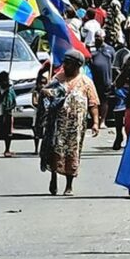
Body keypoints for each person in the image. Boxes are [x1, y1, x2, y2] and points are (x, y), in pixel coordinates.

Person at [48, 49, 100, 196]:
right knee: (55, 150)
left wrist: (95, 123)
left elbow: (93, 104)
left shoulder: (86, 82)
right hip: (58, 124)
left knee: (73, 152)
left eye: (69, 63)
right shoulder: (57, 79)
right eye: (64, 62)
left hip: (76, 126)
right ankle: (53, 178)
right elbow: (46, 96)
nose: (65, 66)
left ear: (77, 65)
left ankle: (69, 185)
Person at [89, 29, 116, 134]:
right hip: (94, 79)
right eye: (96, 36)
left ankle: (102, 121)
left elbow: (112, 62)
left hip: (106, 79)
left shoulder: (110, 49)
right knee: (93, 101)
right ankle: (94, 120)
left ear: (104, 37)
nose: (97, 38)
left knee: (104, 101)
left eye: (99, 36)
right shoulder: (91, 49)